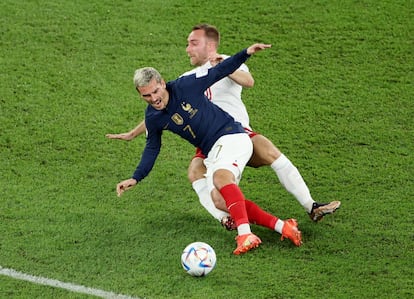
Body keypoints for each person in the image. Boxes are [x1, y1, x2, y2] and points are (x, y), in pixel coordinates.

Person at [107, 24, 341, 229]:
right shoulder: (186, 77)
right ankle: (226, 219)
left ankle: (311, 206)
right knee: (196, 173)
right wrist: (135, 132)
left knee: (271, 153)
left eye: (192, 43)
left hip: (237, 133)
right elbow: (162, 109)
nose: (187, 48)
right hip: (209, 140)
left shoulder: (228, 63)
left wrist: (228, 66)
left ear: (209, 46)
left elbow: (249, 82)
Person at [113, 43, 303, 255]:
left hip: (232, 135)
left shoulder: (185, 86)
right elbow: (152, 148)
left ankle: (245, 235)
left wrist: (246, 53)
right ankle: (284, 226)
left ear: (162, 83)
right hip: (214, 149)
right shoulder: (153, 117)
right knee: (221, 200)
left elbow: (219, 70)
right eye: (146, 96)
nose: (154, 99)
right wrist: (136, 178)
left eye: (155, 91)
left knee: (221, 179)